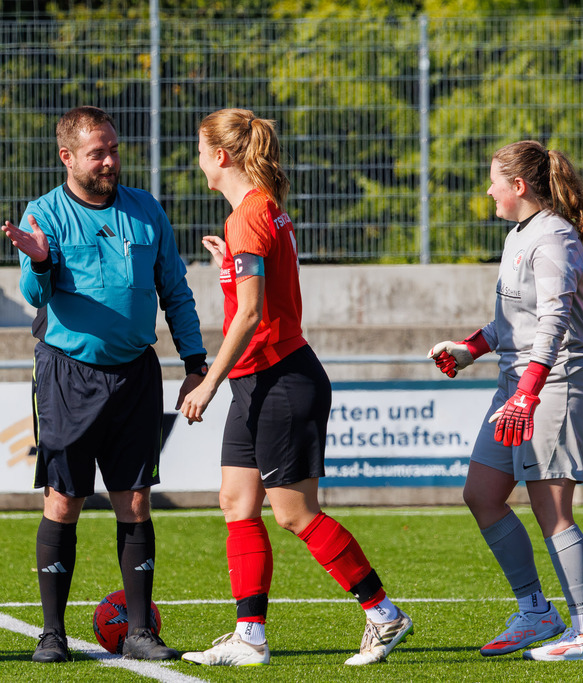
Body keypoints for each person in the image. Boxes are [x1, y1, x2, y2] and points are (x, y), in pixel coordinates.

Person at [178, 108, 412, 667]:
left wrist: (207, 381)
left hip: (280, 377)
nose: (198, 160)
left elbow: (254, 312)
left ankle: (383, 613)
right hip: (256, 380)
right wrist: (228, 268)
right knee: (237, 502)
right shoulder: (257, 212)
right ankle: (249, 636)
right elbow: (260, 289)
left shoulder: (250, 215)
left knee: (294, 513)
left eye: (200, 149)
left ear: (221, 157)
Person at [0, 106, 207, 663]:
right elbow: (34, 296)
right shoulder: (45, 213)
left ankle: (139, 631)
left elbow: (176, 291)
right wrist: (40, 263)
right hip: (68, 374)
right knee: (64, 500)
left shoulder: (145, 210)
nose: (111, 161)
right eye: (98, 153)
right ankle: (52, 634)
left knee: (136, 500)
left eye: (113, 149)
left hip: (137, 373)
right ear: (67, 157)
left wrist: (195, 361)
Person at [428, 140, 583, 661]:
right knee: (482, 494)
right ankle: (536, 612)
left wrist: (528, 393)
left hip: (556, 385)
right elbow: (514, 322)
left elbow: (553, 322)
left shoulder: (555, 239)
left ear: (519, 187)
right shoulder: (519, 235)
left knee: (552, 510)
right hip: (518, 387)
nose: (488, 190)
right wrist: (470, 349)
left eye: (493, 181)